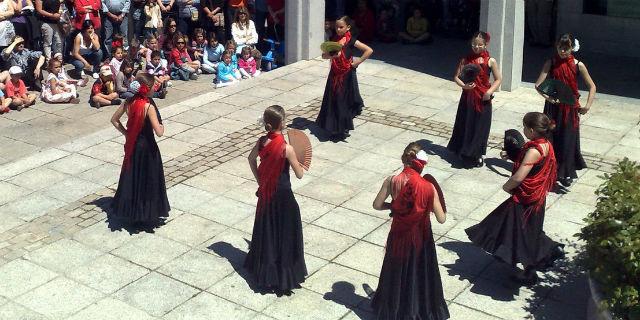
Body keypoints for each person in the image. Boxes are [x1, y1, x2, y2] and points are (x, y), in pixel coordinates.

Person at [466, 112, 565, 285]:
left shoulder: (534, 150)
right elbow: (534, 165)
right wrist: (512, 156)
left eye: (525, 127)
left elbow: (519, 177)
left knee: (516, 231)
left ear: (532, 130)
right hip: (537, 199)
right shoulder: (546, 144)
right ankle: (530, 267)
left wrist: (507, 186)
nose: (524, 130)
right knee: (527, 232)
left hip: (526, 200)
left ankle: (538, 259)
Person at [370, 142, 449, 320]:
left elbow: (377, 205)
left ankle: (393, 310)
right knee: (418, 274)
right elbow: (441, 218)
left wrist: (394, 206)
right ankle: (417, 311)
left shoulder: (391, 181)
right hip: (421, 239)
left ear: (405, 158)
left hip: (398, 235)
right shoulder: (428, 187)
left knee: (396, 272)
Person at [245, 105, 308, 295]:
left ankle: (266, 271)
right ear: (282, 123)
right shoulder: (286, 148)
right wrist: (300, 161)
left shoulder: (262, 141)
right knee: (285, 233)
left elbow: (250, 159)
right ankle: (284, 274)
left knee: (268, 231)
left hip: (267, 193)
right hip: (283, 196)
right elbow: (299, 175)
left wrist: (261, 180)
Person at [535, 33, 596, 187]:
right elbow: (538, 85)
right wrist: (548, 98)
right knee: (551, 138)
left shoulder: (578, 65)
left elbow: (592, 86)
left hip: (570, 108)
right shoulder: (551, 62)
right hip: (553, 107)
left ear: (572, 48)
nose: (563, 51)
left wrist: (587, 105)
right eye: (560, 48)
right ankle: (550, 170)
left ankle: (566, 172)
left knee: (568, 139)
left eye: (566, 48)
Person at [110, 73, 170, 229]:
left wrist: (127, 133)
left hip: (134, 145)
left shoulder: (128, 102)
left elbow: (114, 120)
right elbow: (159, 132)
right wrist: (163, 125)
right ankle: (146, 214)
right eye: (153, 86)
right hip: (148, 148)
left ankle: (133, 213)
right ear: (147, 89)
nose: (155, 88)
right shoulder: (148, 106)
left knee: (135, 178)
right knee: (148, 180)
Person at [447, 31, 502, 168]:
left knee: (480, 127)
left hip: (483, 99)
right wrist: (464, 86)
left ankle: (476, 153)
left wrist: (489, 92)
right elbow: (456, 77)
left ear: (486, 45)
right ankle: (463, 150)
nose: (476, 47)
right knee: (465, 123)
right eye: (474, 44)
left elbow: (498, 79)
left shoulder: (490, 61)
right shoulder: (465, 60)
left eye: (479, 45)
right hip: (468, 98)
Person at [316, 16, 373, 141]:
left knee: (342, 102)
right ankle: (333, 126)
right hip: (334, 75)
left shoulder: (351, 40)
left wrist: (358, 62)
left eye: (341, 27)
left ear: (348, 27)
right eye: (336, 27)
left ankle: (342, 129)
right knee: (333, 101)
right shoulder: (333, 41)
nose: (338, 29)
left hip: (346, 75)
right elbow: (324, 56)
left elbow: (368, 50)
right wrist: (329, 55)